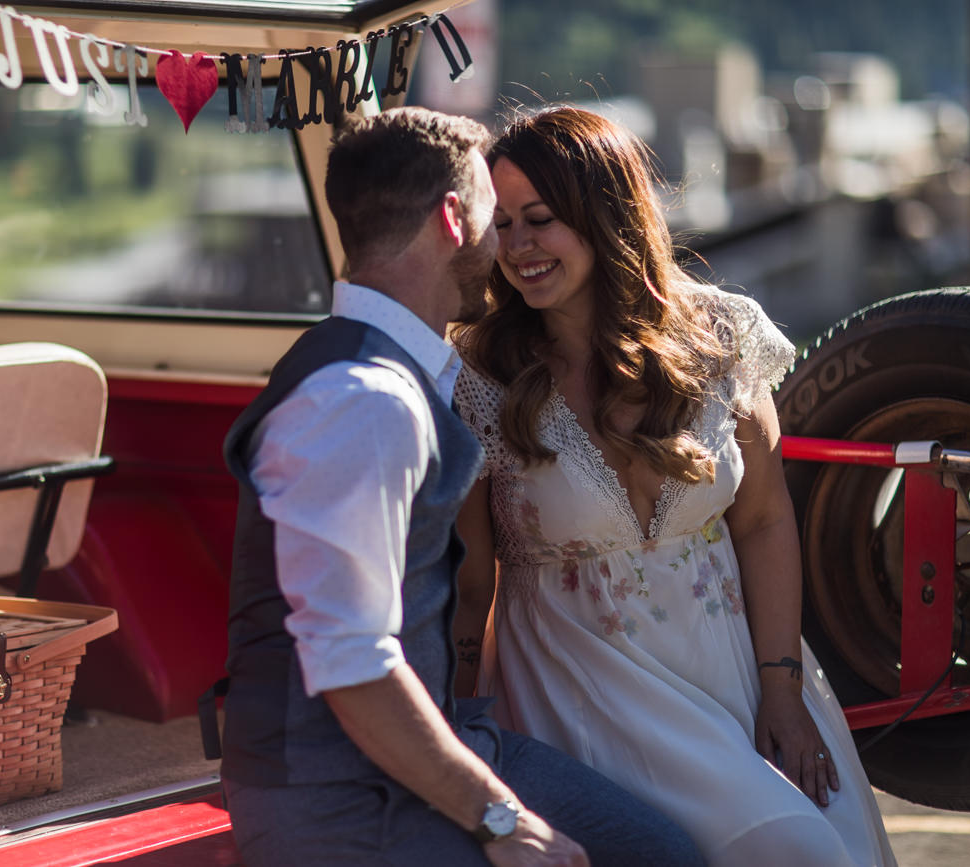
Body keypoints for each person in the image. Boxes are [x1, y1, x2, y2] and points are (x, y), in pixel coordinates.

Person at [219, 106, 705, 867]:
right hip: (340, 800)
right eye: (494, 217)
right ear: (454, 217)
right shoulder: (364, 399)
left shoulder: (390, 376)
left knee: (662, 853)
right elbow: (351, 660)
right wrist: (504, 822)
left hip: (429, 742)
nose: (507, 245)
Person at [450, 104, 896, 866]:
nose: (518, 247)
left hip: (733, 673)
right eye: (504, 224)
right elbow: (472, 574)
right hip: (579, 691)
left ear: (603, 213)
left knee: (827, 840)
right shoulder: (481, 377)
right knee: (791, 850)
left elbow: (761, 519)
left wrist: (782, 689)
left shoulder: (721, 335)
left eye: (542, 219)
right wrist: (461, 722)